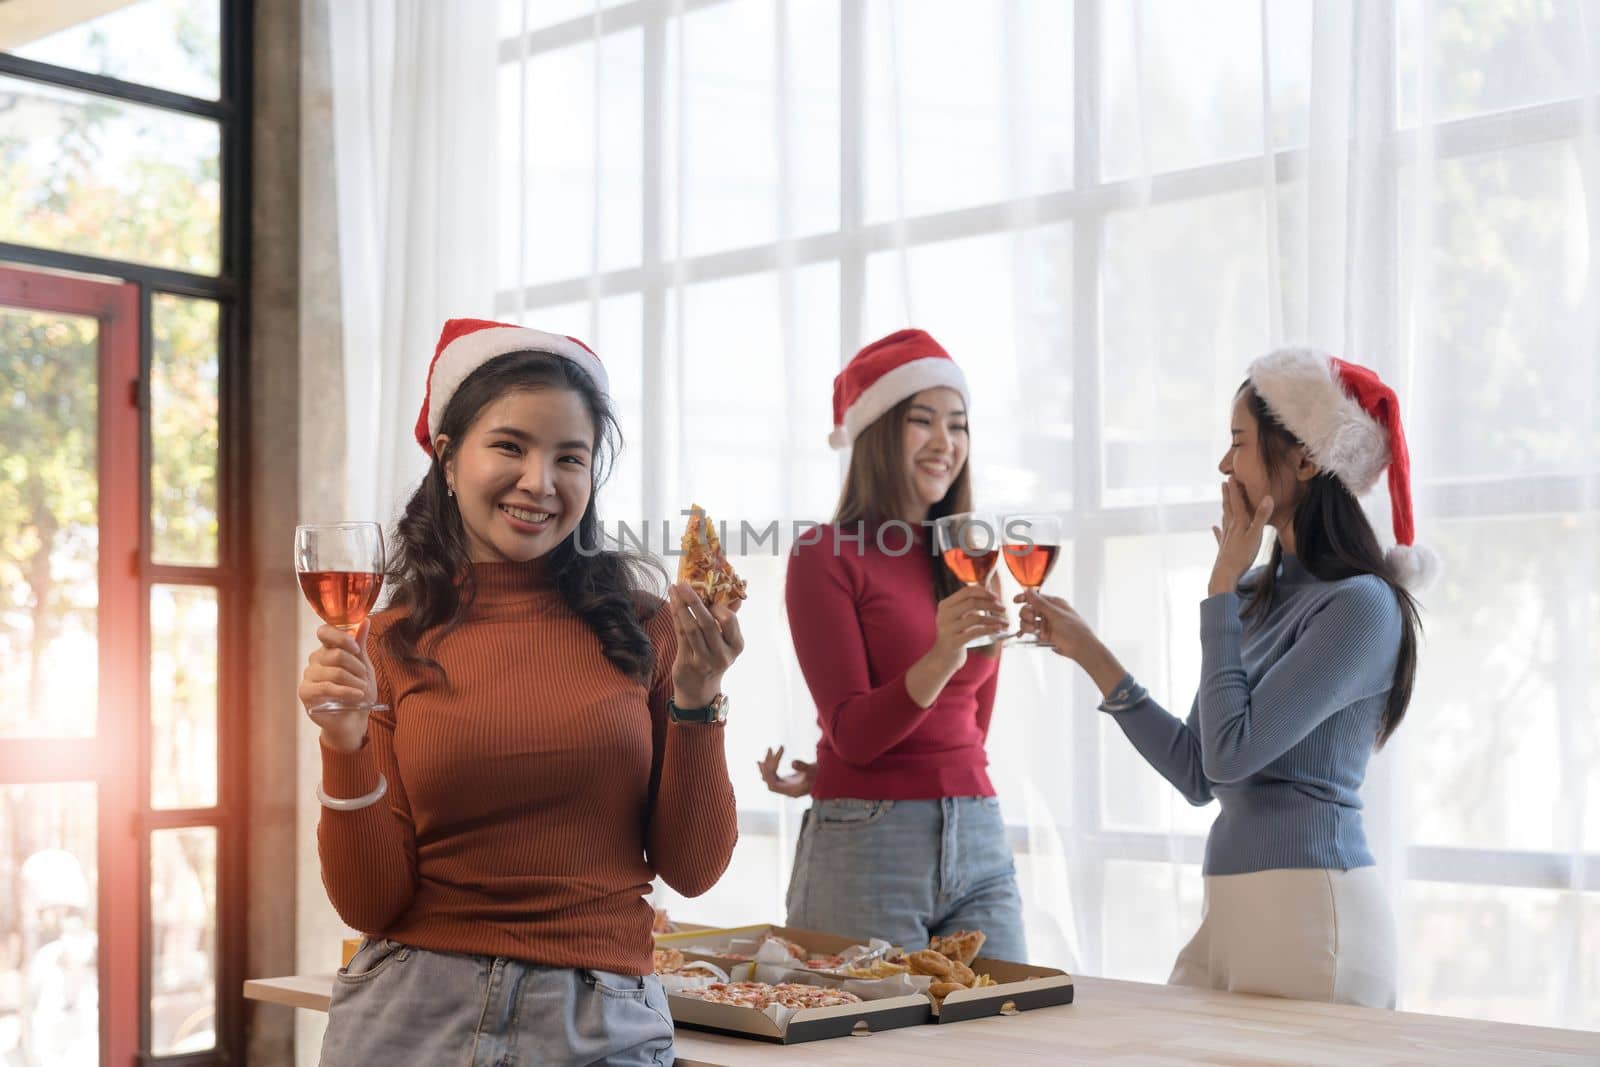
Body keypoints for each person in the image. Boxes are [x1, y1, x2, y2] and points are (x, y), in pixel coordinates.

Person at [299, 318, 742, 1065]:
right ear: (447, 457)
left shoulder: (648, 628)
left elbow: (693, 870)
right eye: (510, 446)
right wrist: (342, 744)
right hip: (410, 1012)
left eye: (570, 457)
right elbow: (369, 904)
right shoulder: (388, 640)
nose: (540, 481)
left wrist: (698, 698)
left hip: (596, 1018)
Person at [1018, 349, 1437, 1007]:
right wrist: (1089, 652)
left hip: (1311, 911)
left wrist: (1218, 590)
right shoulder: (1253, 594)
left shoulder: (1359, 604)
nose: (1223, 464)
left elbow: (1231, 753)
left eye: (1238, 442)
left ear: (1303, 459)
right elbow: (1198, 771)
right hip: (1237, 904)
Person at [765, 328, 1027, 962]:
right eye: (923, 421)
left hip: (979, 831)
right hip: (868, 844)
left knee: (1009, 1037)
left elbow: (971, 718)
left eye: (959, 425)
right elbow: (854, 733)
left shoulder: (967, 557)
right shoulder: (824, 555)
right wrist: (941, 653)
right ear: (880, 431)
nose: (946, 443)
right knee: (870, 1047)